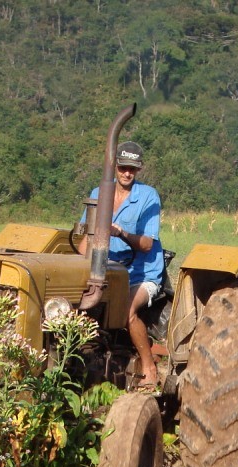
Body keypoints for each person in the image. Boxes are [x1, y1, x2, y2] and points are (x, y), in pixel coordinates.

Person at [82, 140, 165, 390]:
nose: (127, 173)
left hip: (141, 273)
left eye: (133, 169)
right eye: (123, 168)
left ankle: (149, 368)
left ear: (139, 170)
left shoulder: (148, 196)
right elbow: (86, 236)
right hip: (108, 270)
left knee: (126, 308)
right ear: (115, 167)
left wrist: (122, 234)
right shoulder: (99, 194)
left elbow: (148, 244)